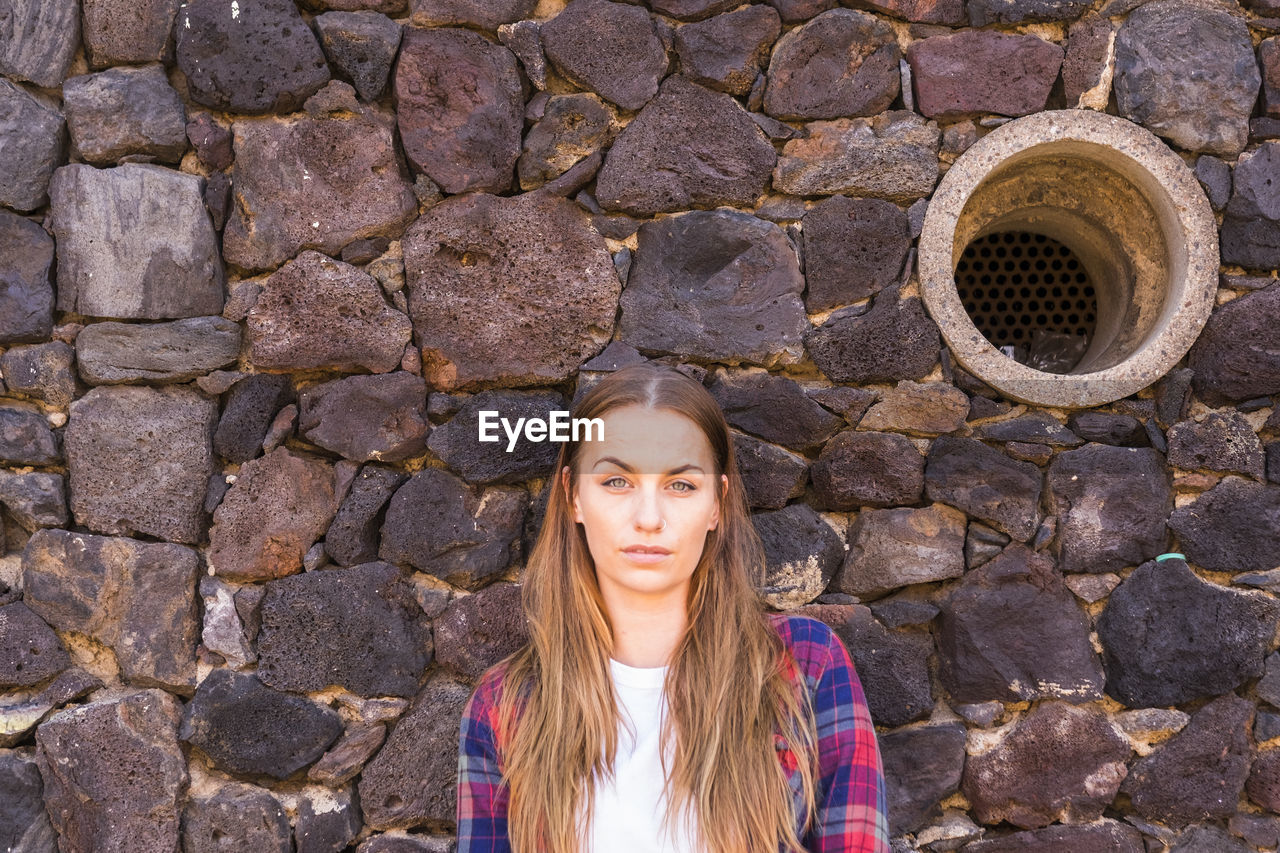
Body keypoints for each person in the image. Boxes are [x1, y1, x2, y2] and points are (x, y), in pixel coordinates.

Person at [456, 362, 890, 853]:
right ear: (573, 494)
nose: (648, 518)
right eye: (616, 482)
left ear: (715, 505)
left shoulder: (805, 664)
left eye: (680, 485)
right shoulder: (503, 705)